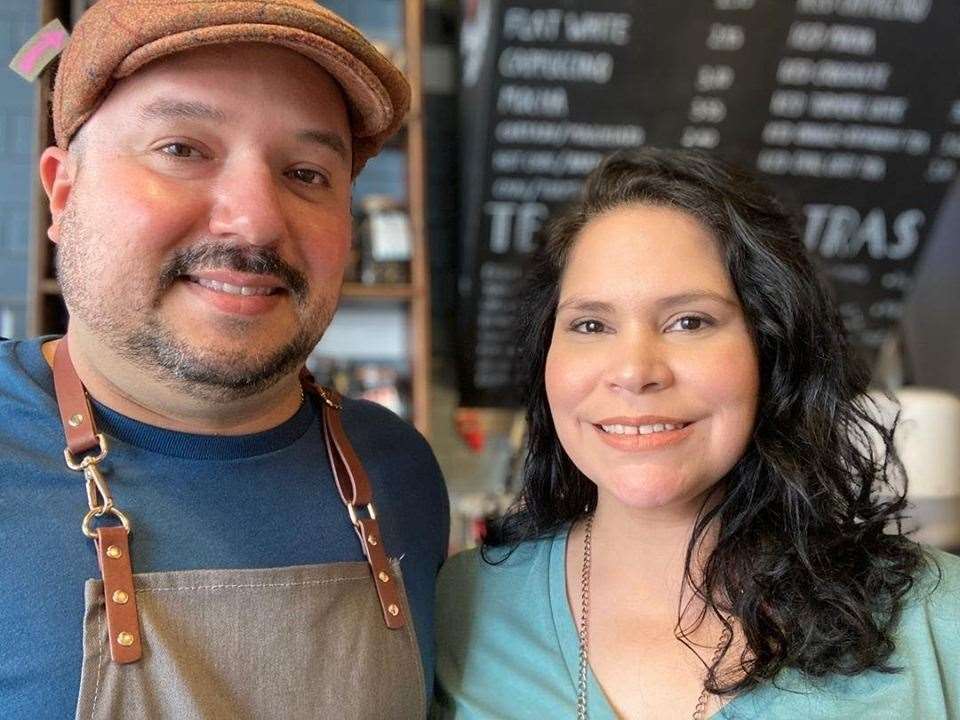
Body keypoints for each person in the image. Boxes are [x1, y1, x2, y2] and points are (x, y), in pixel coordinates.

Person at [0, 2, 448, 719]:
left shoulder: (401, 472)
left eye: (305, 172)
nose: (257, 217)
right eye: (183, 149)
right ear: (63, 191)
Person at [433, 148, 960, 719]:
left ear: (771, 347)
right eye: (590, 324)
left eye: (690, 321)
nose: (634, 371)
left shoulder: (939, 615)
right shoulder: (455, 608)